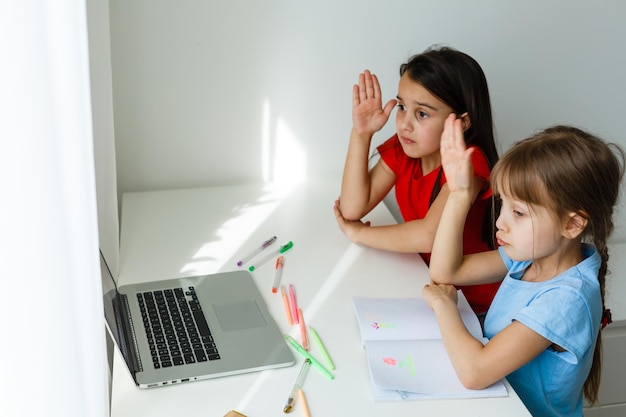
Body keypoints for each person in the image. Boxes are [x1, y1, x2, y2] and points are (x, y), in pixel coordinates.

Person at [424, 116, 625, 416]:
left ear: (571, 224)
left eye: (518, 212)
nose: (500, 222)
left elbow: (475, 372)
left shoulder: (566, 300)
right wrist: (459, 195)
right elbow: (445, 272)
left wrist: (444, 307)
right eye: (503, 203)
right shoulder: (531, 257)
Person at [334, 45, 500, 314]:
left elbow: (428, 235)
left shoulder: (469, 163)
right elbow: (352, 208)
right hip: (431, 290)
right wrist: (361, 134)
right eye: (401, 106)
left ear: (463, 122)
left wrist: (360, 233)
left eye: (421, 113)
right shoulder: (405, 149)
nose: (404, 124)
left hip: (476, 308)